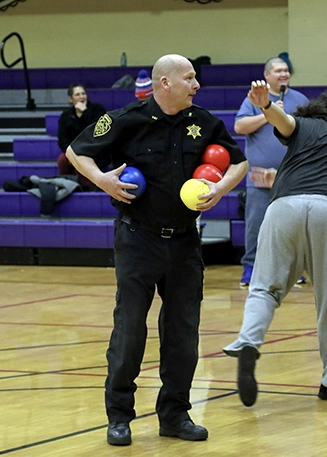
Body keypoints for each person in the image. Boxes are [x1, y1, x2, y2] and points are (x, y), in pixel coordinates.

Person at [65, 54, 248, 446]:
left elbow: (240, 162)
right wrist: (103, 180)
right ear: (165, 82)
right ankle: (119, 416)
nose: (197, 85)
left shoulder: (204, 122)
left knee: (183, 331)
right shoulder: (125, 119)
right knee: (130, 328)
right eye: (190, 78)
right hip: (138, 239)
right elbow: (77, 151)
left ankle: (175, 415)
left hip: (184, 242)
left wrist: (220, 188)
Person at [223, 85, 327, 406]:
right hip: (326, 209)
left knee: (264, 288)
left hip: (281, 206)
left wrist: (266, 106)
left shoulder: (303, 125)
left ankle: (248, 341)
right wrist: (268, 107)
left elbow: (285, 123)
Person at [234, 57, 309, 287]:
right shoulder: (255, 98)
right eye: (278, 71)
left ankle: (292, 269)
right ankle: (251, 267)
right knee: (256, 224)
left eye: (286, 70)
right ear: (267, 75)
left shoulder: (300, 99)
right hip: (258, 177)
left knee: (291, 225)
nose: (284, 74)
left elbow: (309, 130)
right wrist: (269, 113)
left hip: (291, 176)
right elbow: (239, 126)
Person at [57, 83, 108, 190]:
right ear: (71, 99)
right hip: (73, 152)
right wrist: (72, 153)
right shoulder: (66, 116)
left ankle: (89, 188)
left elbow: (98, 132)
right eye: (77, 94)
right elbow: (63, 139)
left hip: (95, 151)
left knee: (82, 159)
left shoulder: (98, 110)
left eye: (83, 94)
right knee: (62, 159)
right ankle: (67, 185)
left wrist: (85, 112)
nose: (81, 97)